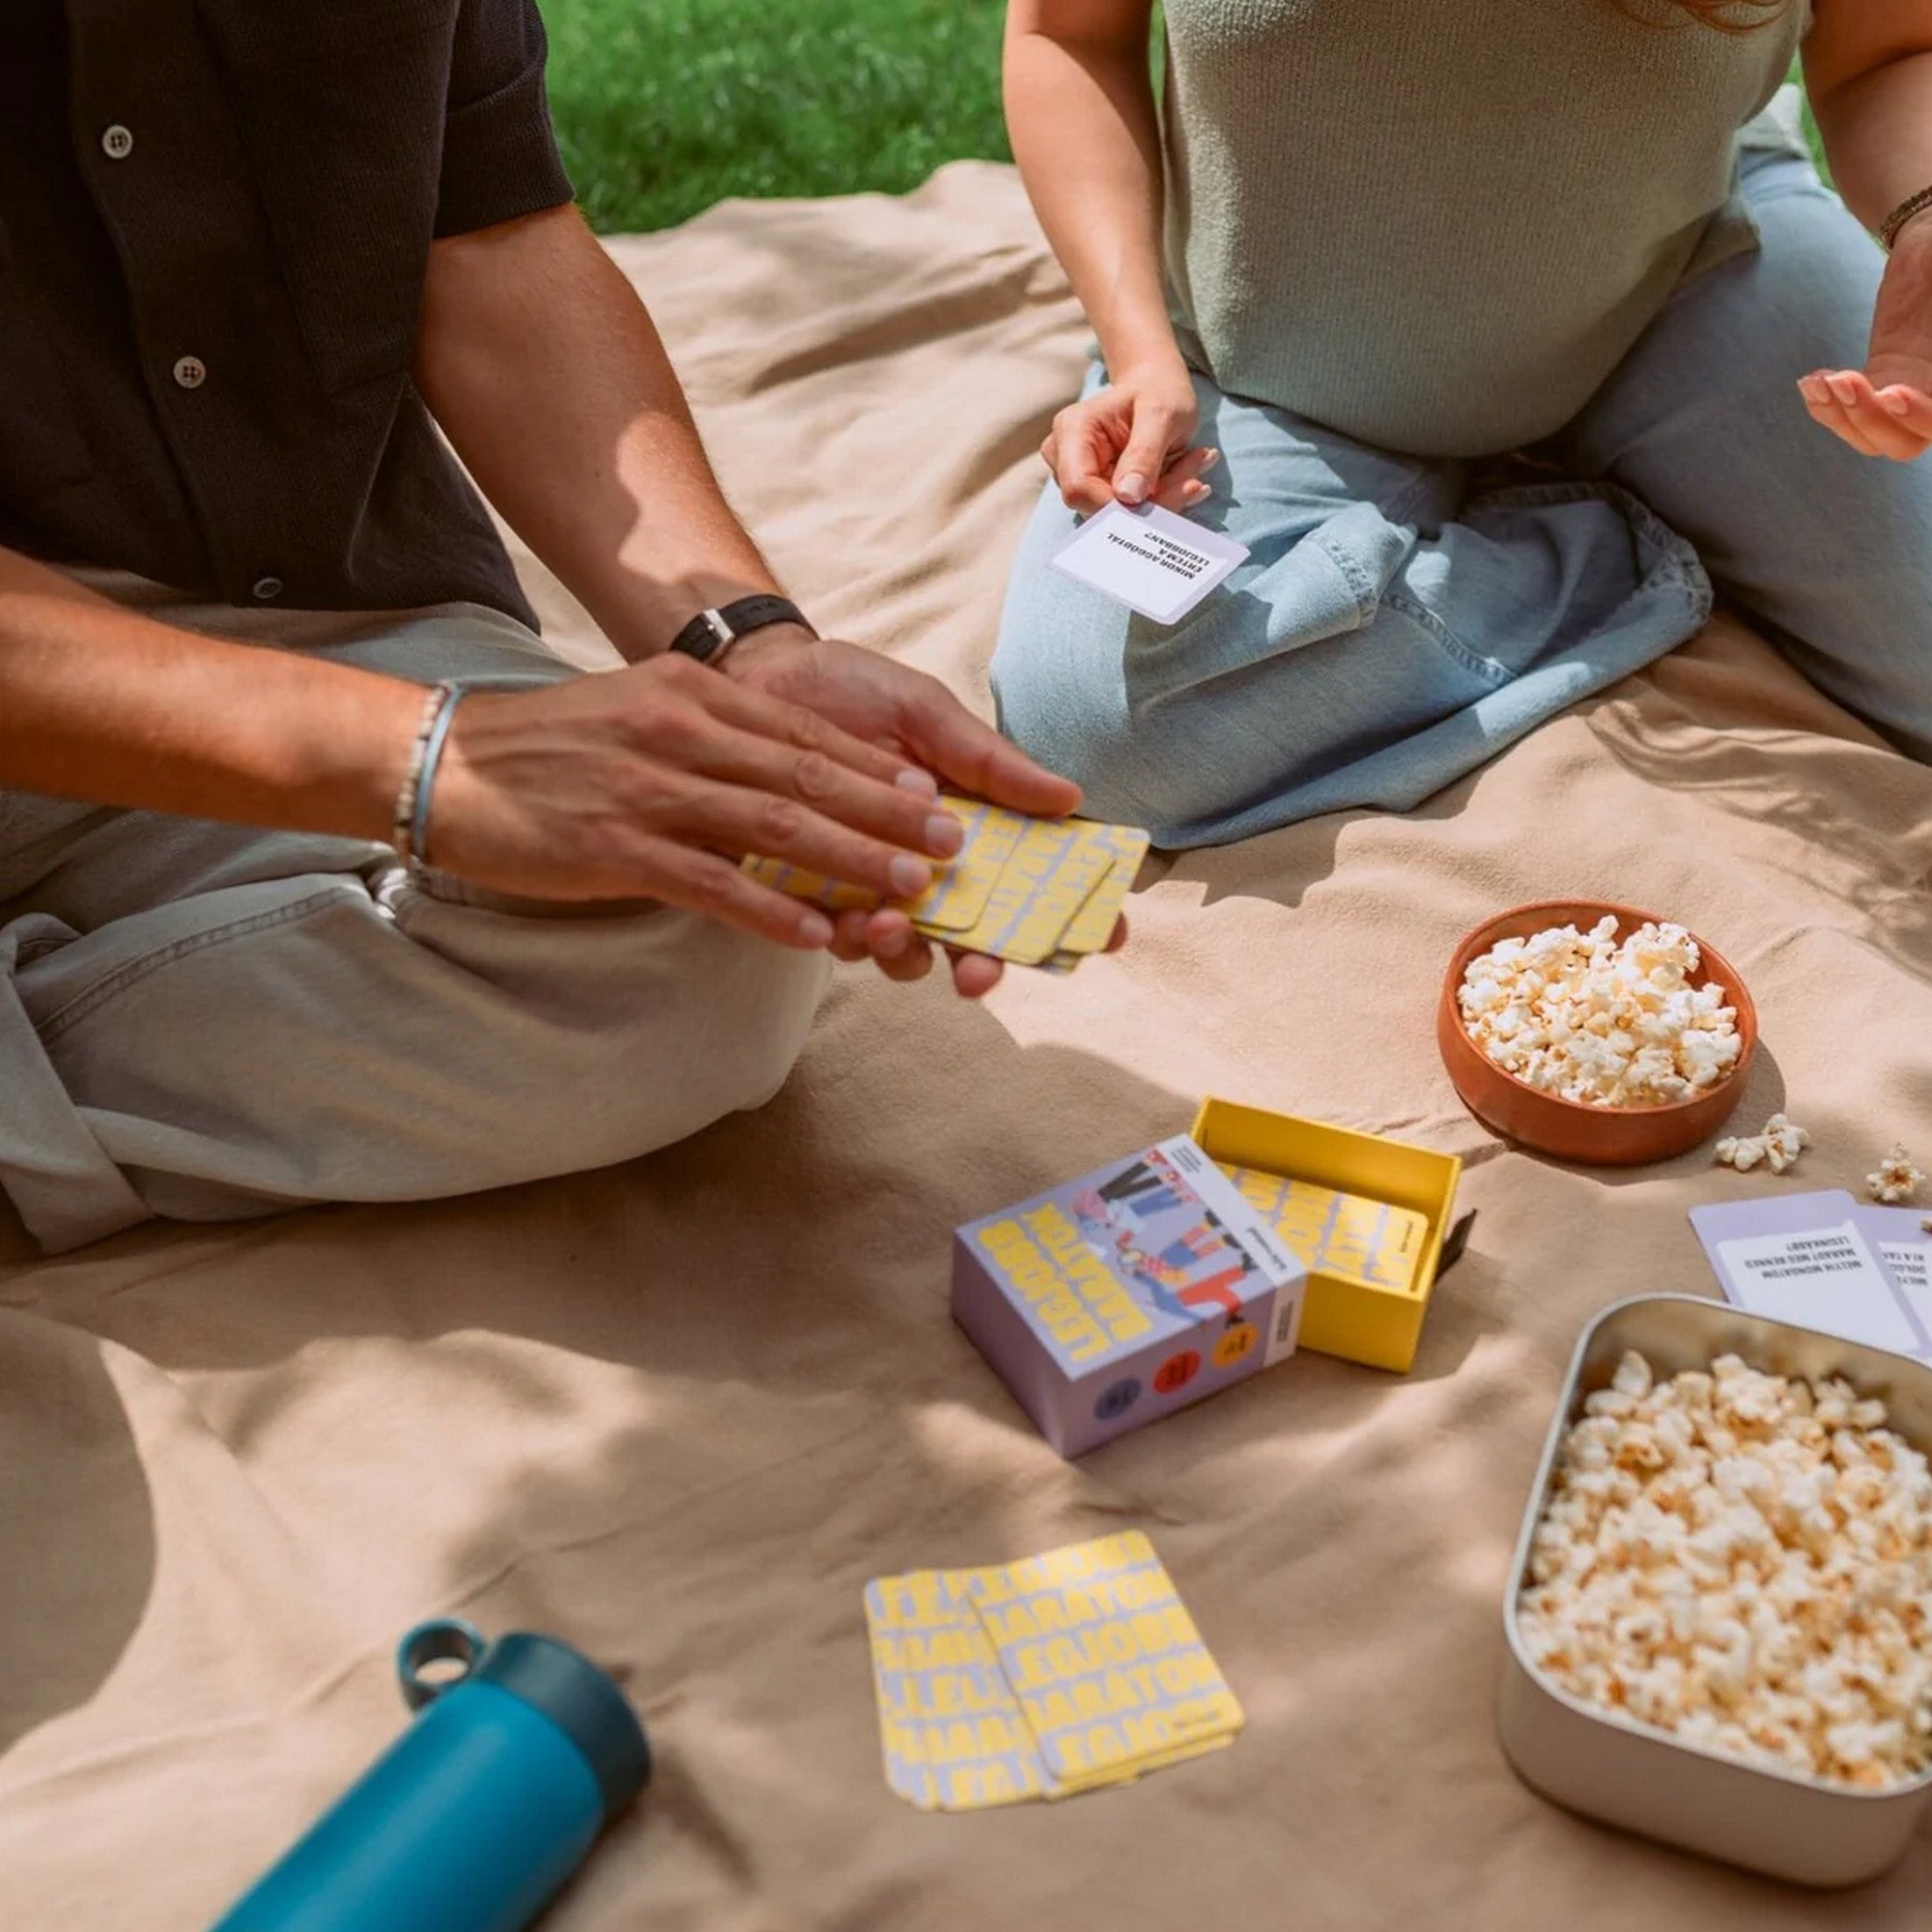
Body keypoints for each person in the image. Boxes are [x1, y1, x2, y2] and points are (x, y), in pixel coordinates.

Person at [0, 1, 1089, 1256]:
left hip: (305, 613)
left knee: (713, 903)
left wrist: (746, 649)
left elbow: (496, 239)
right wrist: (430, 763)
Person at [992, 0, 1932, 849]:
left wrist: (1922, 222)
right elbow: (1066, 37)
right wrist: (1137, 349)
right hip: (1273, 369)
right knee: (1099, 727)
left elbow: (1885, 55)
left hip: (1677, 281)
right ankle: (1612, 552)